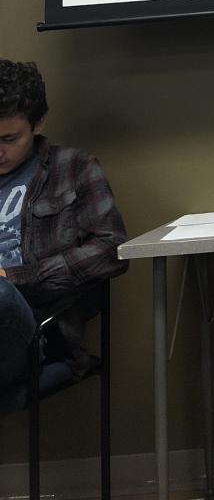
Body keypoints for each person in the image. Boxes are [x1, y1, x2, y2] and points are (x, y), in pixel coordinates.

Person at [0, 59, 128, 405]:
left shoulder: (72, 168)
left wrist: (15, 277)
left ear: (38, 123)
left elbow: (111, 250)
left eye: (9, 138)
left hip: (34, 328)